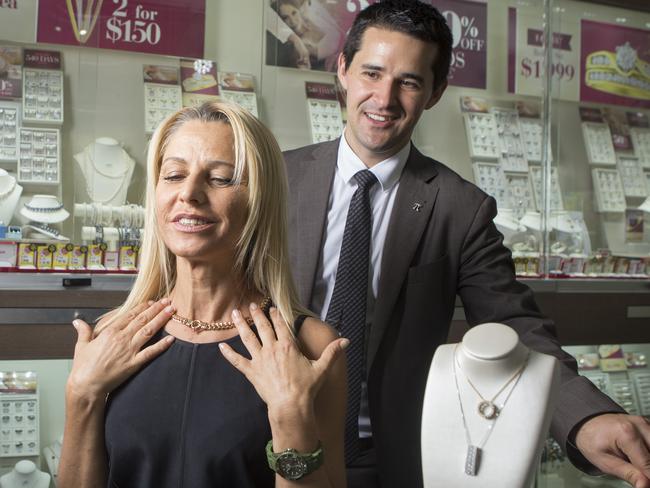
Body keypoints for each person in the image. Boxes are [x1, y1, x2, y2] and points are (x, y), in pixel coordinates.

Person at [282, 1, 650, 487]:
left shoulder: (461, 208)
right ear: (344, 70)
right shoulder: (277, 177)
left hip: (384, 461)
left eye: (409, 82)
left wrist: (585, 417)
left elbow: (517, 326)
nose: (384, 98)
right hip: (267, 439)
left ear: (435, 93)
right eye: (372, 73)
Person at [57, 102, 348, 488]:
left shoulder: (309, 346)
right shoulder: (112, 335)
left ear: (258, 199)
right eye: (174, 175)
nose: (189, 193)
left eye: (221, 179)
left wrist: (290, 414)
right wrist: (81, 395)